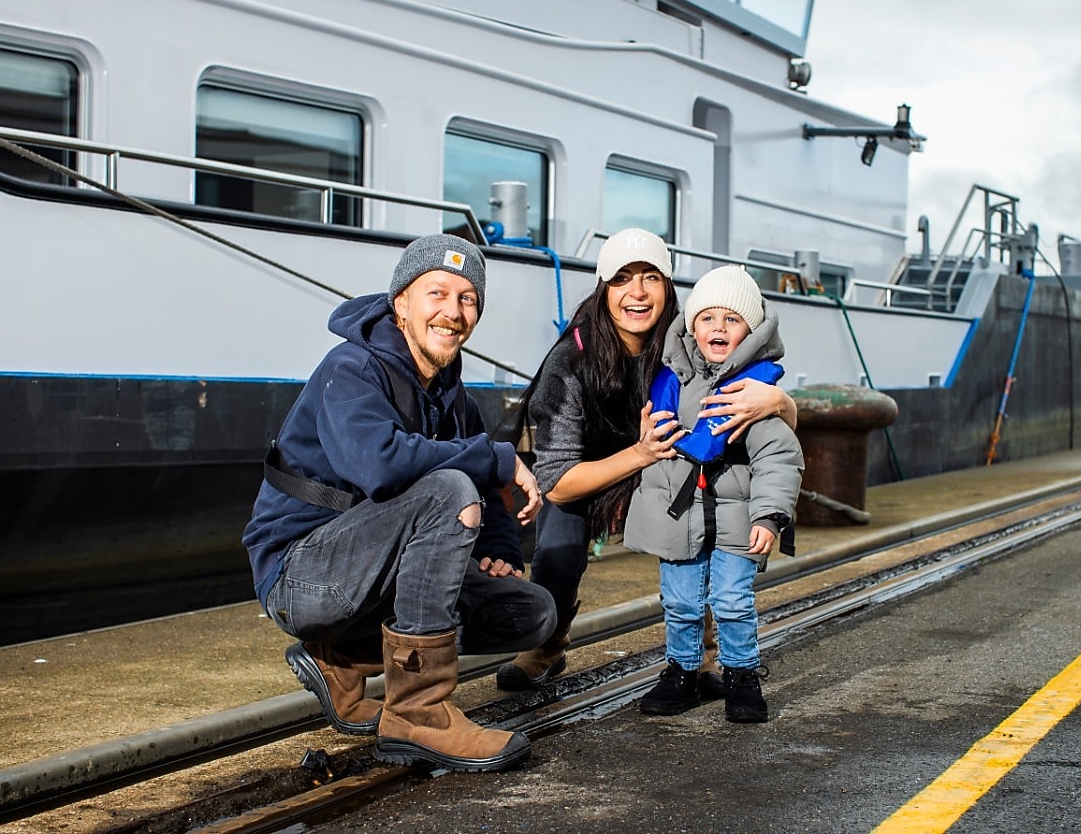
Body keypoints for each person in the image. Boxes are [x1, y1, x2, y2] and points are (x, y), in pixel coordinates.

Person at [242, 233, 556, 773]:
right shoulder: (353, 368)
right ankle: (418, 713)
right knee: (450, 488)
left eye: (468, 299)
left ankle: (341, 659)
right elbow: (380, 466)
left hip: (369, 574)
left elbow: (489, 498)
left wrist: (502, 549)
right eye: (437, 293)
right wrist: (496, 459)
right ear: (401, 304)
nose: (453, 312)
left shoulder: (455, 396)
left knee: (530, 613)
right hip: (300, 577)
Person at [495, 228, 797, 697]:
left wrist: (778, 401)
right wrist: (638, 454)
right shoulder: (569, 362)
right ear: (603, 289)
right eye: (622, 280)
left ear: (669, 287)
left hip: (673, 467)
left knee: (714, 505)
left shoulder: (697, 332)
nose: (637, 293)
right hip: (597, 470)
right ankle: (549, 642)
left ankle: (709, 643)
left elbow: (774, 425)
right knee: (560, 535)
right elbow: (555, 482)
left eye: (650, 277)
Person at [623, 265, 803, 723]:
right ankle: (682, 672)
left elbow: (779, 458)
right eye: (707, 318)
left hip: (737, 516)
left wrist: (769, 517)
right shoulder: (672, 381)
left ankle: (742, 674)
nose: (718, 328)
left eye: (732, 319)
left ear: (751, 331)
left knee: (732, 601)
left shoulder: (752, 392)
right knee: (679, 601)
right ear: (690, 325)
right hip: (679, 515)